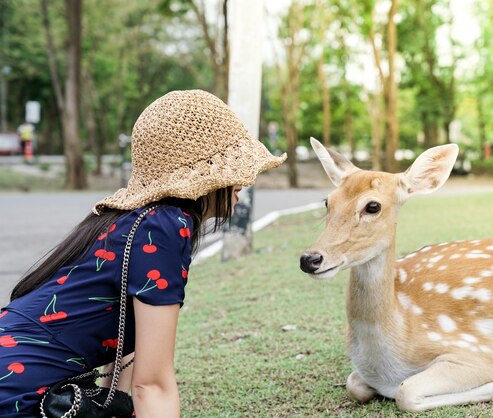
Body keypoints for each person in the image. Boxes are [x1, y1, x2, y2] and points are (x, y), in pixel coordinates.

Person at [0, 90, 286, 417]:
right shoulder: (164, 227)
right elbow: (151, 386)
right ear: (205, 175)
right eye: (233, 167)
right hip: (19, 395)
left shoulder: (130, 218)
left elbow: (123, 356)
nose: (245, 179)